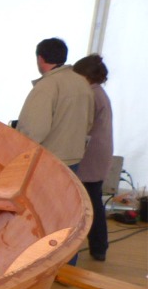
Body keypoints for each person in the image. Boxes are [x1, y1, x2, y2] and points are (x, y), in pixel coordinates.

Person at [16, 38, 93, 167]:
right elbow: (89, 122)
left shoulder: (47, 85)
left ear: (40, 58)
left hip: (49, 160)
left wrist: (18, 151)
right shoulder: (82, 83)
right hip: (74, 157)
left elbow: (34, 129)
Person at [72, 54, 113, 261]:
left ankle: (98, 246)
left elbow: (84, 125)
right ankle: (99, 246)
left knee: (90, 202)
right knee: (94, 199)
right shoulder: (99, 92)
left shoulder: (91, 94)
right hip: (99, 152)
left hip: (91, 155)